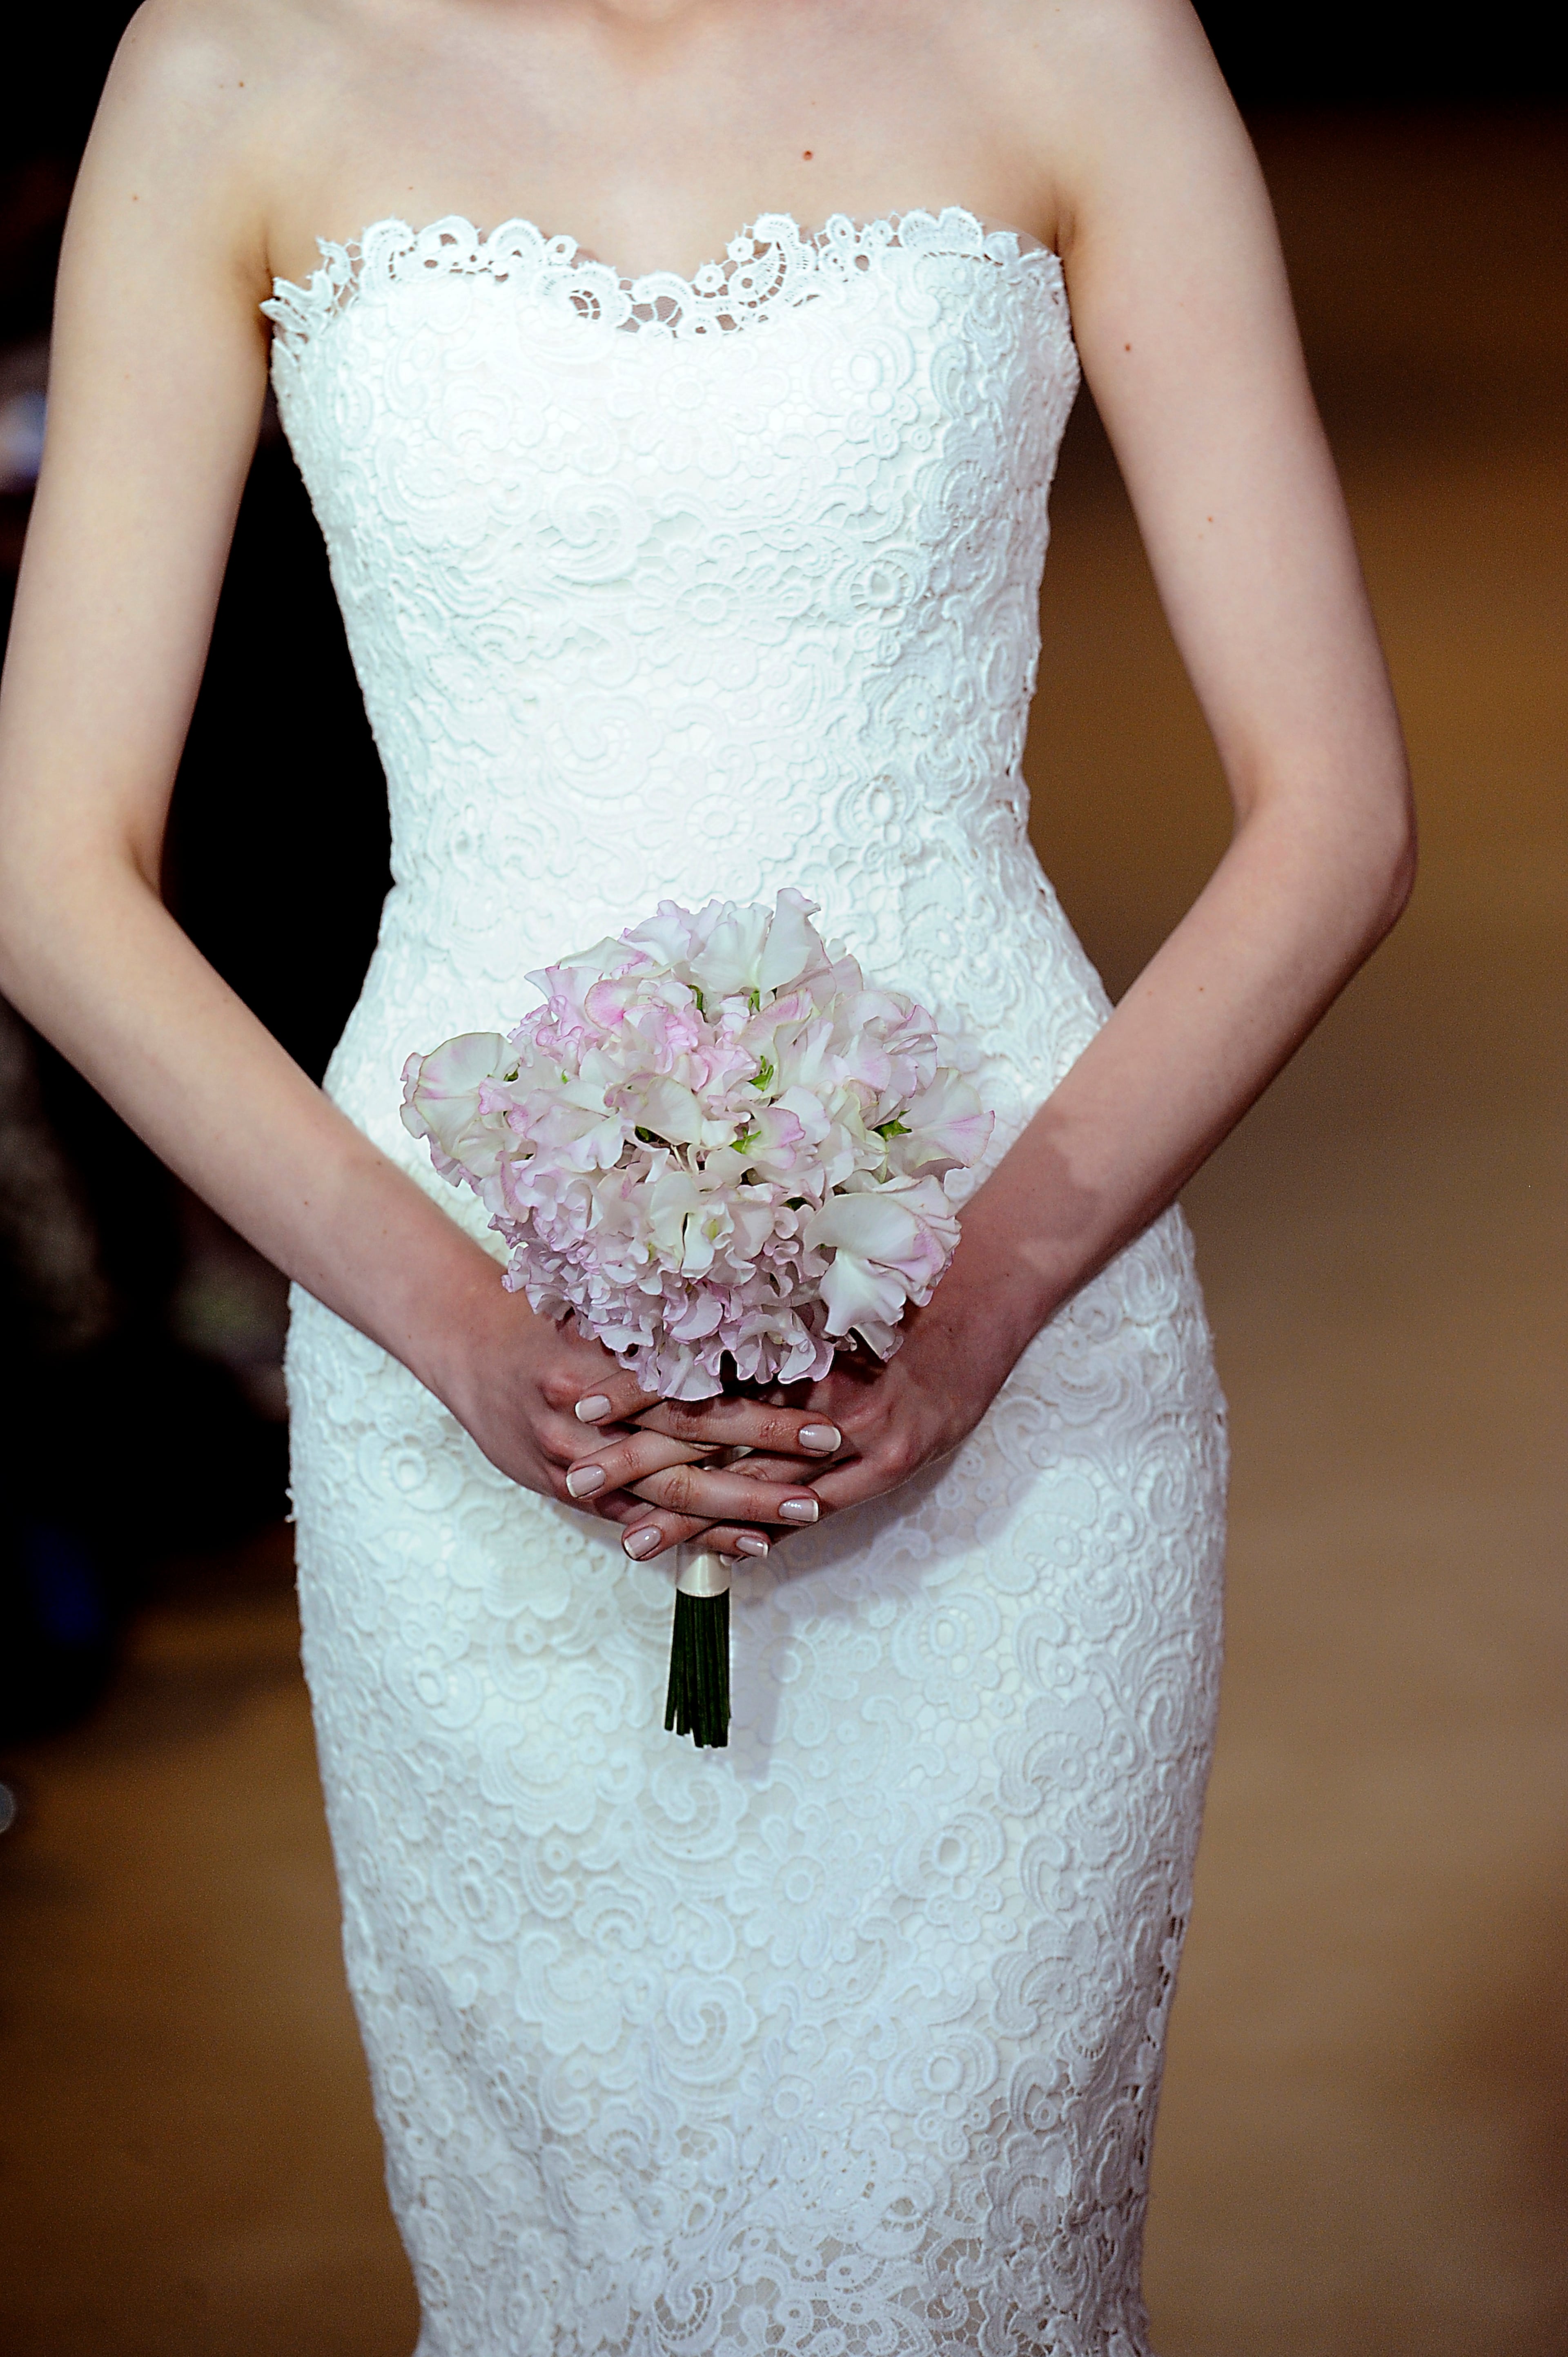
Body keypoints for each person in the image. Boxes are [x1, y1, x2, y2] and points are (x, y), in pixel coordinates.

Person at [0, 0, 1413, 2344]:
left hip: (1018, 1346)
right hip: (449, 1335)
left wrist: (978, 1310)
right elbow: (52, 870)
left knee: (960, 2258)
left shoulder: (1076, 39)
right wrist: (461, 1334)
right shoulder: (233, 65)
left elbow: (1336, 809)